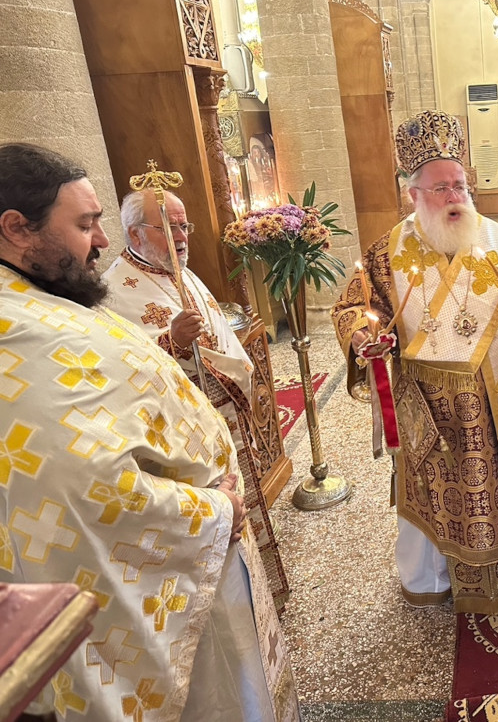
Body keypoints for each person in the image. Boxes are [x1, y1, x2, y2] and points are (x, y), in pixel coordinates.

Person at [0, 143, 298, 720]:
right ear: (17, 229)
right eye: (85, 224)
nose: (102, 239)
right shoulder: (27, 328)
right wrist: (212, 514)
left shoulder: (47, 301)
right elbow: (78, 484)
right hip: (178, 554)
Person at [330, 110, 498, 614]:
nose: (456, 196)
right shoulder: (385, 253)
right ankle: (430, 577)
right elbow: (351, 307)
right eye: (441, 188)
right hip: (428, 407)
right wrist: (366, 334)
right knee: (432, 493)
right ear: (413, 195)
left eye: (460, 185)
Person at [103, 189, 289, 613]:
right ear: (134, 231)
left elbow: (219, 334)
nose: (182, 236)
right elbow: (125, 368)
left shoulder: (179, 272)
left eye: (184, 225)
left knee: (240, 495)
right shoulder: (115, 290)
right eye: (168, 227)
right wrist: (174, 341)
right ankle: (228, 604)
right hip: (180, 430)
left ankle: (260, 589)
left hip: (219, 412)